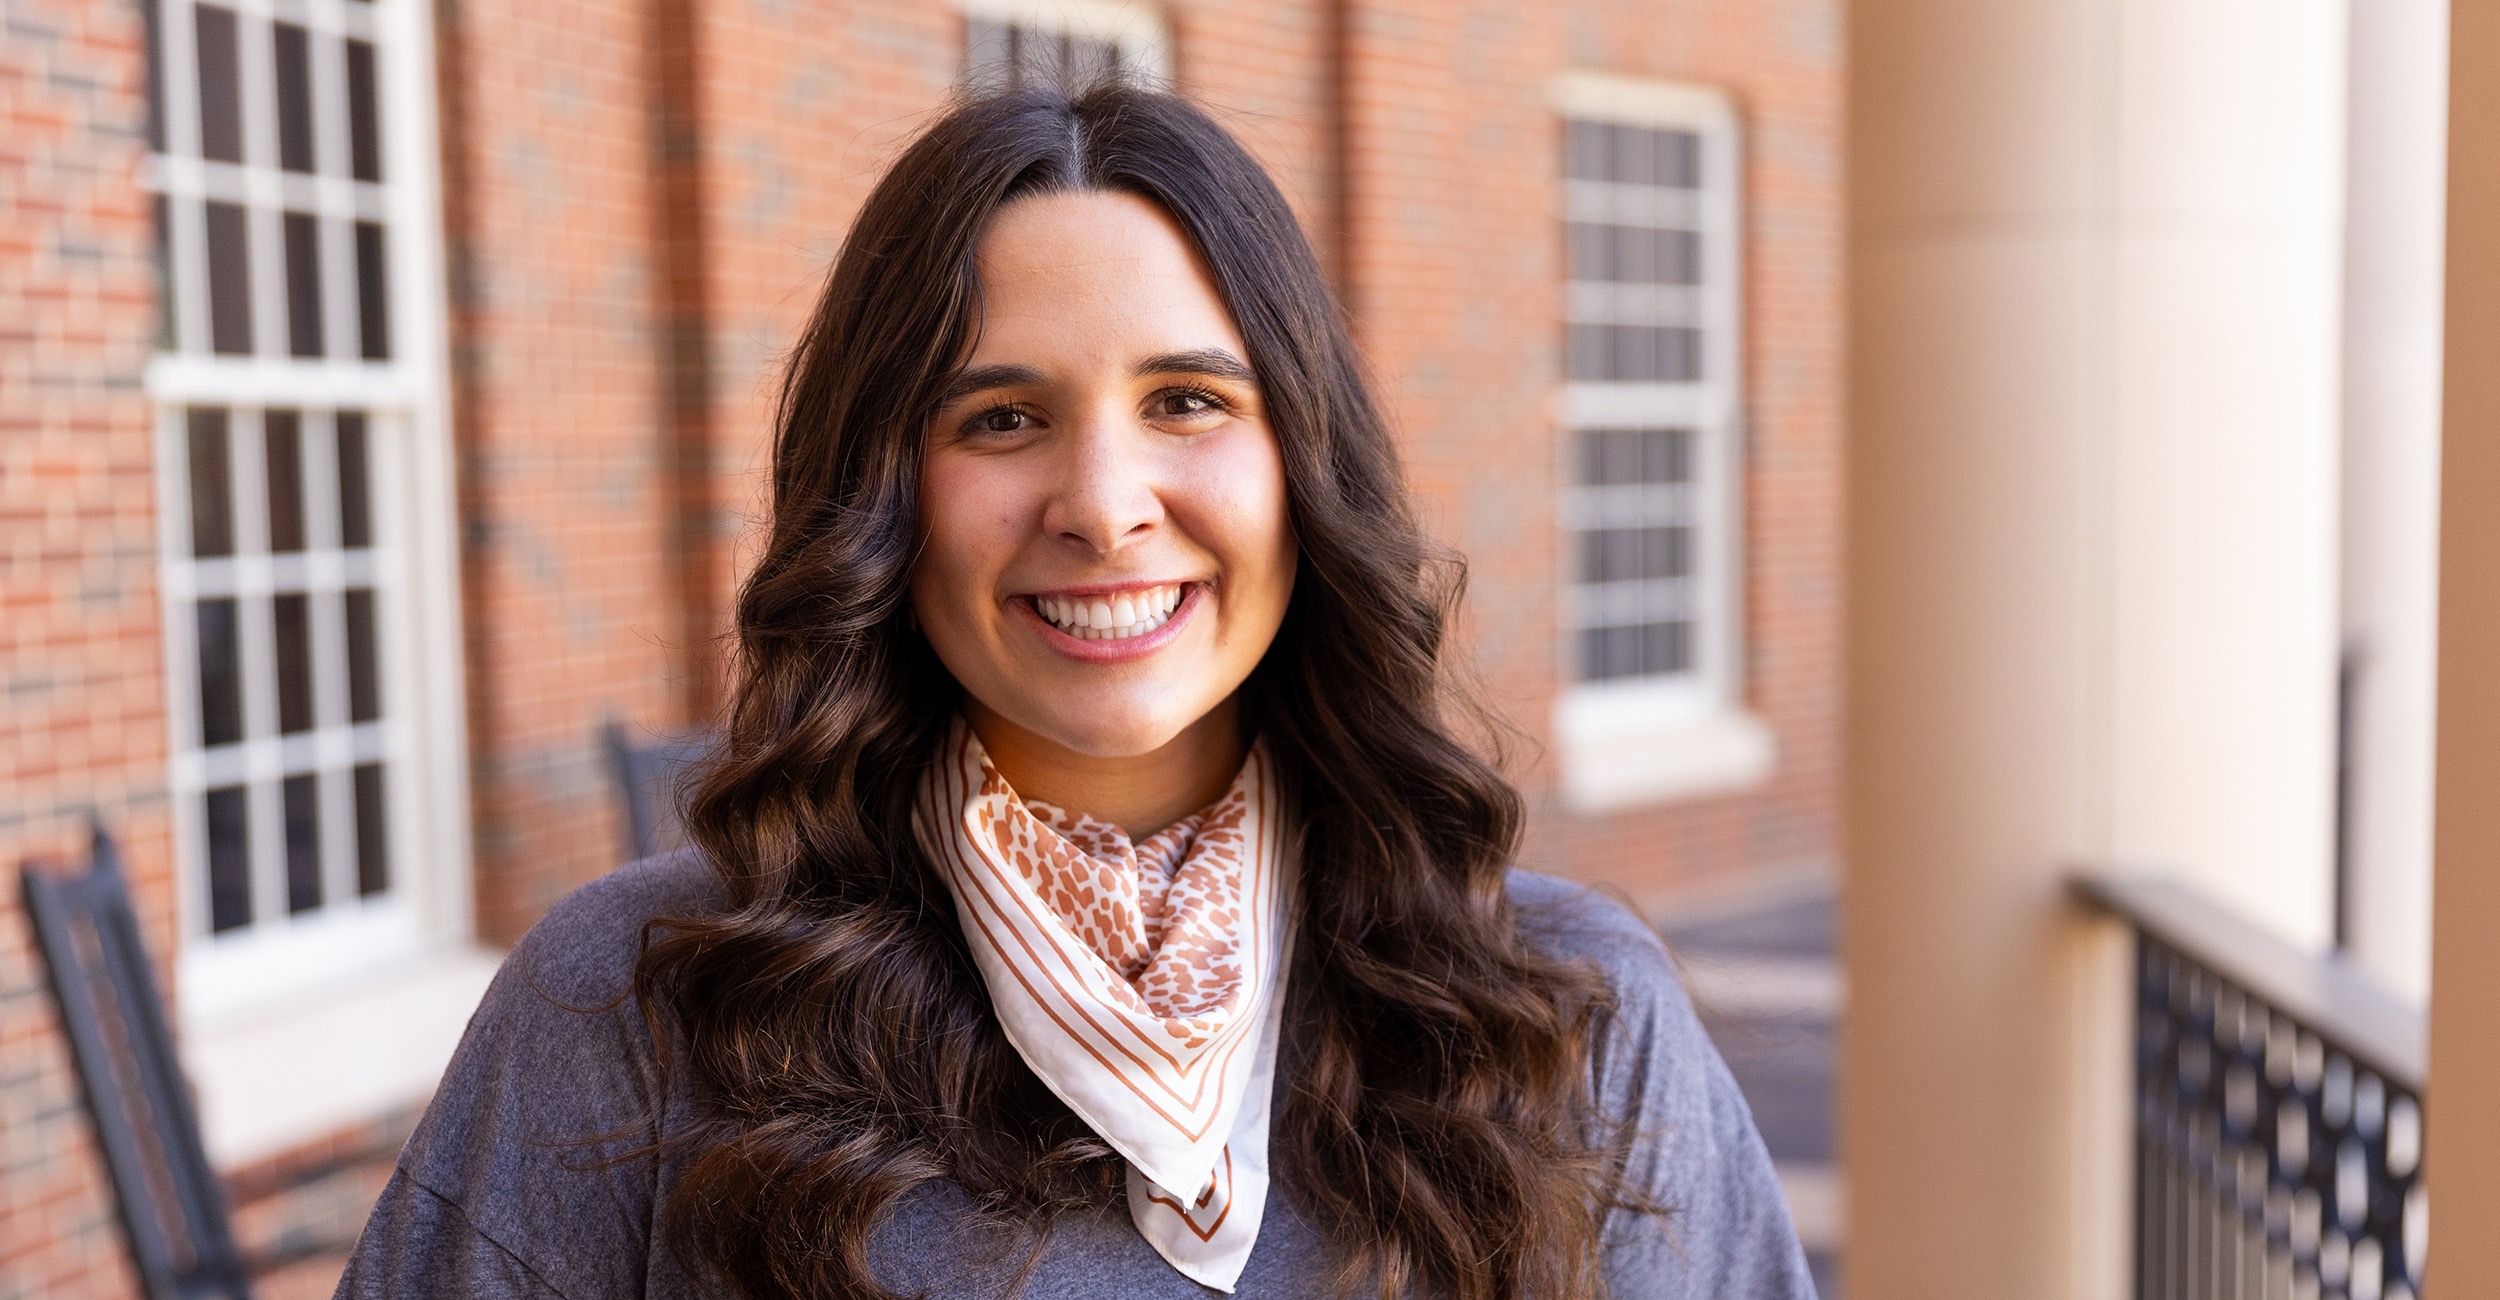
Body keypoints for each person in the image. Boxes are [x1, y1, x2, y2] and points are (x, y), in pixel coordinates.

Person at [335, 81, 1814, 1300]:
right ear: (883, 498)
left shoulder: (1570, 1017)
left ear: (1303, 467)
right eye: (1003, 417)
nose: (1104, 505)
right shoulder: (639, 1007)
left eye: (1187, 401)